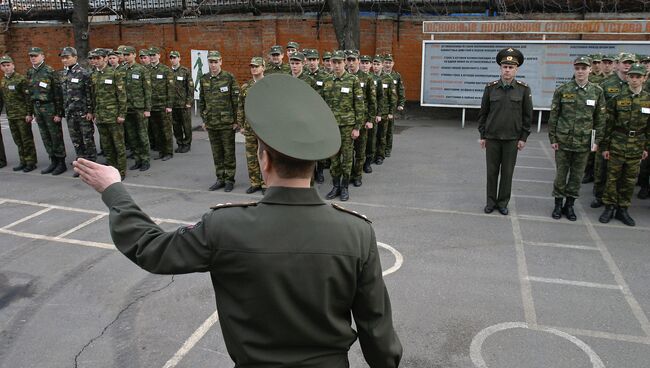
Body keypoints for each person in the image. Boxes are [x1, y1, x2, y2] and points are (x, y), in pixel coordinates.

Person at [72, 74, 402, 368]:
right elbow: (377, 333)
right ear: (315, 163)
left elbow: (150, 248)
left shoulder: (225, 226)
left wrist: (114, 190)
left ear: (264, 159)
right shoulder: (357, 233)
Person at [548, 56, 606, 221]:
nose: (580, 71)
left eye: (584, 68)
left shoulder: (597, 91)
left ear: (589, 70)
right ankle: (558, 204)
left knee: (576, 176)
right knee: (561, 176)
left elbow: (600, 119)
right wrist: (553, 139)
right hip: (563, 141)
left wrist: (596, 141)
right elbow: (554, 117)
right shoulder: (562, 90)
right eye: (578, 68)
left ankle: (570, 205)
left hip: (583, 143)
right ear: (574, 69)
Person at [478, 47, 533, 215]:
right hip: (493, 137)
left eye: (511, 67)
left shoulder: (523, 89)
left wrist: (523, 137)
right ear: (500, 68)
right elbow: (483, 113)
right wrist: (482, 135)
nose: (507, 70)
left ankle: (503, 202)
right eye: (505, 67)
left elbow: (527, 115)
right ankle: (490, 201)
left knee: (507, 173)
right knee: (492, 172)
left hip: (512, 139)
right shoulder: (490, 88)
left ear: (516, 69)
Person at [598, 63, 650, 227]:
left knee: (629, 180)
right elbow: (609, 125)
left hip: (637, 145)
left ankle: (623, 209)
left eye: (638, 77)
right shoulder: (617, 98)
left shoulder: (648, 99)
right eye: (632, 76)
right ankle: (609, 207)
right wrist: (605, 147)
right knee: (612, 178)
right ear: (627, 77)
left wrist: (646, 147)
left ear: (644, 78)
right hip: (617, 144)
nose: (634, 80)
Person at [591, 52, 635, 208]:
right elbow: (597, 108)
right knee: (601, 166)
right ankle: (599, 195)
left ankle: (617, 199)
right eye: (624, 62)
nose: (627, 65)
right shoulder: (606, 84)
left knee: (623, 171)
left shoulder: (636, 85)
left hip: (626, 135)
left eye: (631, 62)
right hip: (606, 131)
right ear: (617, 64)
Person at [322, 50, 365, 202]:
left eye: (340, 62)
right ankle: (335, 186)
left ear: (344, 63)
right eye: (334, 62)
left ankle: (345, 187)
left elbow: (359, 105)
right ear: (331, 63)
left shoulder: (352, 80)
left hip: (348, 126)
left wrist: (357, 127)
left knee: (346, 158)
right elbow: (322, 106)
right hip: (332, 127)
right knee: (334, 158)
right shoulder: (327, 81)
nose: (337, 65)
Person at [199, 50, 240, 192]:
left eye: (216, 62)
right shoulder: (204, 79)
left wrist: (236, 120)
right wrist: (204, 120)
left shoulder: (229, 77)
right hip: (211, 122)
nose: (213, 65)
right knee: (217, 153)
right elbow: (202, 101)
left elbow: (236, 101)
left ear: (221, 61)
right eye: (211, 62)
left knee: (228, 152)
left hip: (227, 122)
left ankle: (229, 179)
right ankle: (220, 178)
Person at [26, 46, 66, 175]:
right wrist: (32, 112)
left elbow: (57, 93)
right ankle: (53, 160)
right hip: (38, 108)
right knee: (45, 136)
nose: (33, 58)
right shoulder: (30, 72)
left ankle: (61, 162)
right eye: (31, 56)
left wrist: (59, 113)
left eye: (35, 56)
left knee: (55, 136)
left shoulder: (49, 71)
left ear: (42, 56)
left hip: (50, 107)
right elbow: (30, 94)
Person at [89, 49, 127, 180]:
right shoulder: (94, 75)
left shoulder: (114, 73)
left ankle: (121, 171)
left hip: (113, 116)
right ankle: (112, 170)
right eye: (93, 59)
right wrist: (94, 113)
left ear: (105, 58)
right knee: (107, 146)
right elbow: (94, 97)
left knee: (118, 145)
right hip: (101, 116)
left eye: (98, 58)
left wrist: (122, 114)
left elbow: (122, 96)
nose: (95, 61)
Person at [59, 46, 96, 177]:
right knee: (76, 141)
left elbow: (89, 94)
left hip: (83, 113)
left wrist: (90, 111)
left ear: (75, 57)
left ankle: (91, 166)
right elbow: (63, 95)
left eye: (67, 57)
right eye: (63, 58)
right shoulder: (63, 74)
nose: (65, 60)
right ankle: (81, 165)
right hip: (70, 113)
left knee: (87, 140)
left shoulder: (84, 73)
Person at [0, 55, 37, 172]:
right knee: (18, 140)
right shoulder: (3, 81)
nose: (6, 68)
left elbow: (27, 98)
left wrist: (29, 113)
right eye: (4, 66)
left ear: (13, 65)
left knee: (26, 140)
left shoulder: (20, 79)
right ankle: (23, 161)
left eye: (8, 65)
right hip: (11, 116)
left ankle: (31, 162)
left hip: (22, 115)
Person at [237, 56, 266, 194]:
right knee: (251, 156)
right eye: (252, 66)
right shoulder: (245, 87)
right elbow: (241, 107)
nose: (254, 69)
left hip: (265, 128)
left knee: (265, 156)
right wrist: (241, 125)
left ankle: (266, 183)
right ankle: (255, 182)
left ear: (263, 67)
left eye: (256, 66)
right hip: (249, 127)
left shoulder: (268, 85)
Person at [349, 52, 378, 187]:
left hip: (362, 119)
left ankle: (357, 176)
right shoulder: (344, 77)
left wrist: (370, 120)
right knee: (347, 152)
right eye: (348, 60)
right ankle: (348, 174)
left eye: (353, 60)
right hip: (347, 120)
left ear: (358, 61)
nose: (351, 62)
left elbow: (372, 101)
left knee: (360, 150)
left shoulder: (366, 78)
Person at [122, 46, 152, 172]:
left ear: (134, 55)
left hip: (140, 108)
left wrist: (147, 108)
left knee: (142, 135)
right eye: (124, 55)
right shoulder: (121, 70)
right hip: (127, 108)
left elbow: (148, 90)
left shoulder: (141, 70)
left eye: (128, 54)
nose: (125, 57)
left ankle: (145, 160)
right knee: (132, 136)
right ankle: (137, 159)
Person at [148, 46, 175, 161]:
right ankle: (161, 151)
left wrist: (169, 105)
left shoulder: (165, 70)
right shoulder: (146, 70)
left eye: (154, 55)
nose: (152, 57)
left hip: (163, 106)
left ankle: (168, 152)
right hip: (152, 106)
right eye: (151, 55)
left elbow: (171, 88)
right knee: (156, 130)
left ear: (159, 55)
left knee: (166, 130)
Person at [169, 50, 194, 153]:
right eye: (171, 58)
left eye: (175, 57)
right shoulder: (168, 72)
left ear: (179, 58)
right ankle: (180, 143)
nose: (173, 60)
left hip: (184, 104)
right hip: (173, 105)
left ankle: (187, 143)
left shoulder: (185, 71)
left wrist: (189, 102)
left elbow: (190, 88)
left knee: (186, 125)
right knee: (176, 126)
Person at [382, 53, 405, 159]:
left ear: (393, 64)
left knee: (389, 130)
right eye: (386, 62)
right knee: (381, 129)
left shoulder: (397, 75)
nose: (388, 65)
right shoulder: (379, 75)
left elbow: (401, 90)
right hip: (381, 106)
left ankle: (387, 149)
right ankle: (380, 149)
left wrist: (401, 103)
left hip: (392, 106)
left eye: (390, 63)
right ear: (383, 63)